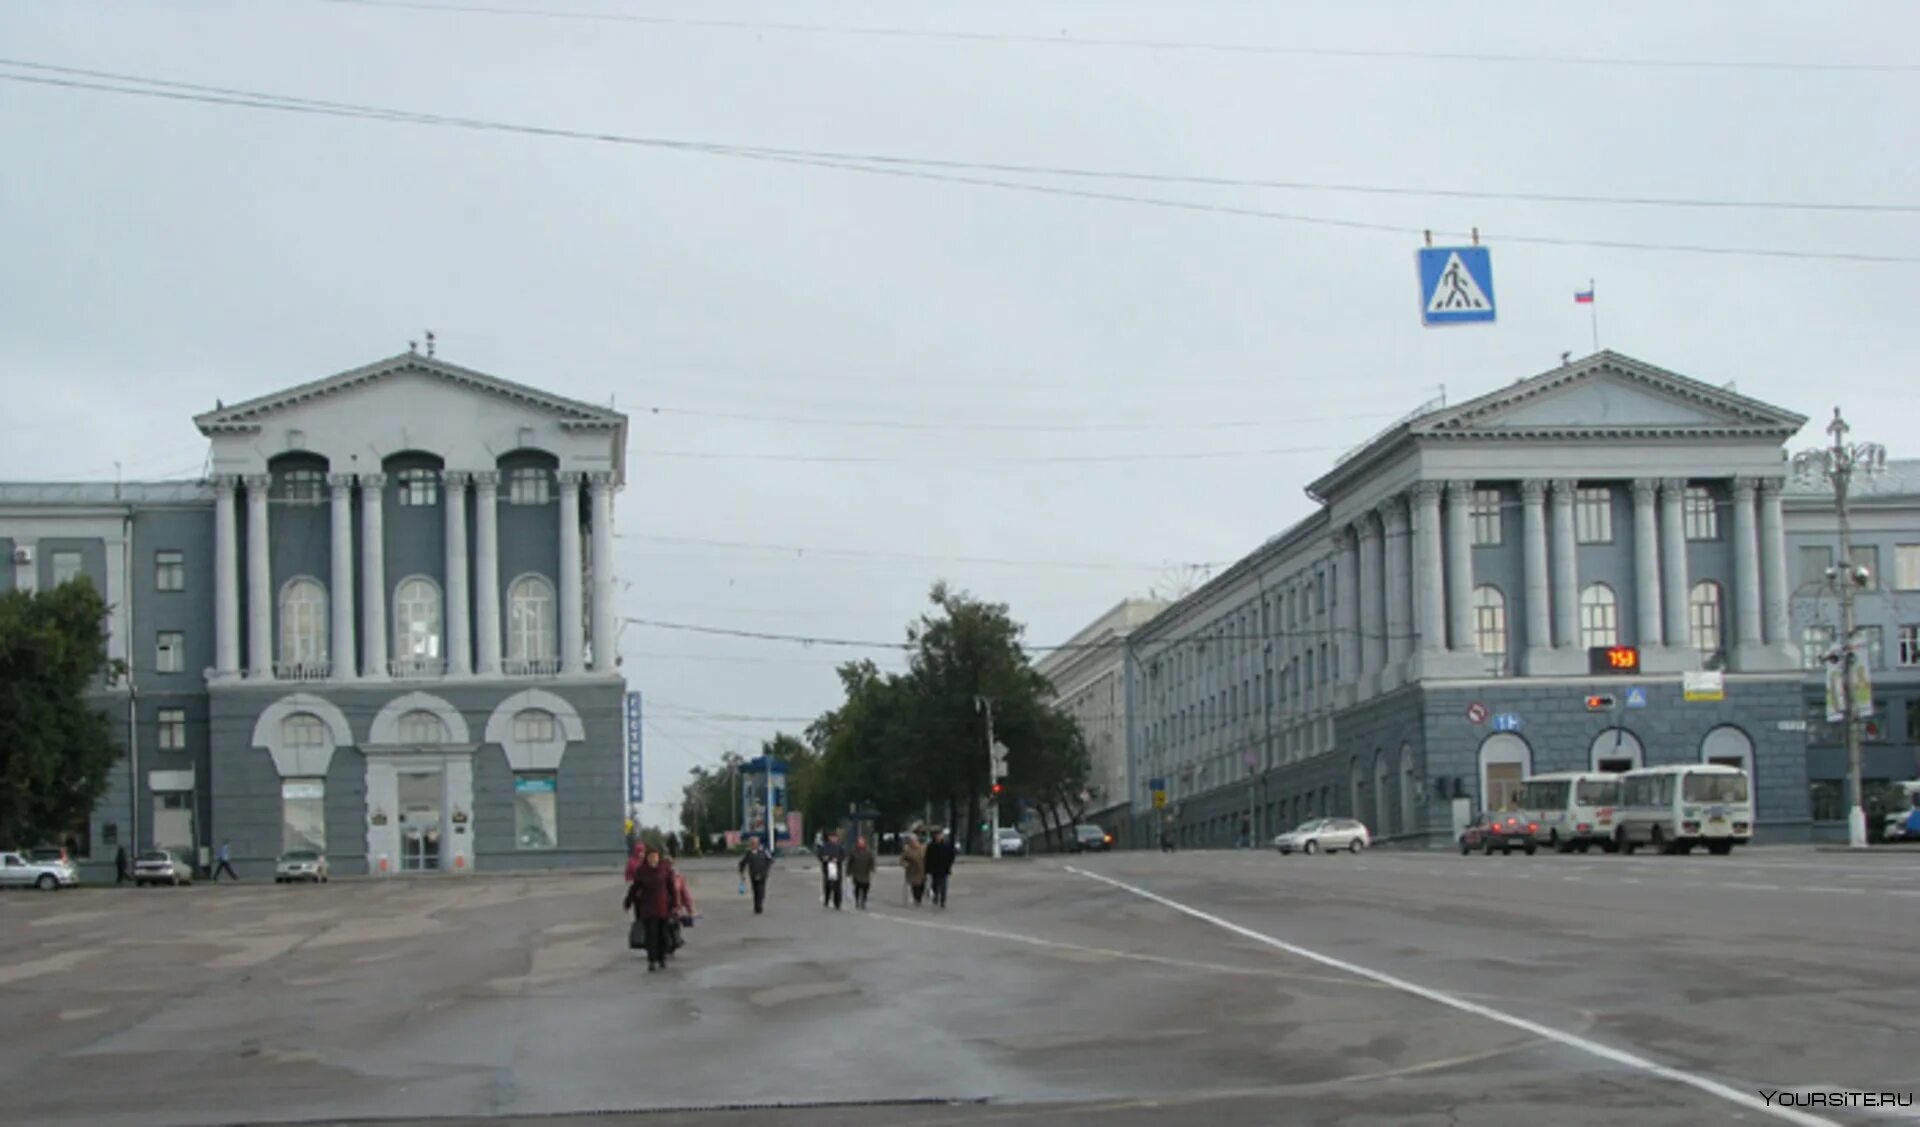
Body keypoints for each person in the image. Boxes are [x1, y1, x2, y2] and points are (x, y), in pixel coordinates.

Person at [623, 845, 679, 971]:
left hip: (663, 907)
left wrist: (675, 904)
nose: (653, 859)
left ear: (659, 857)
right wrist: (628, 902)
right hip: (648, 908)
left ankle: (662, 958)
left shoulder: (665, 869)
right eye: (650, 857)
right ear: (647, 858)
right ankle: (652, 960)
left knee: (662, 934)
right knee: (651, 935)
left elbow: (672, 888)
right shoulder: (642, 871)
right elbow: (635, 888)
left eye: (655, 857)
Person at [737, 834, 774, 914]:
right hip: (753, 874)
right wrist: (741, 873)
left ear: (758, 843)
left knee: (761, 890)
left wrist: (767, 868)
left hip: (762, 873)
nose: (753, 845)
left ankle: (759, 906)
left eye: (754, 843)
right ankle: (756, 905)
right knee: (755, 890)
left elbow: (770, 860)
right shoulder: (749, 853)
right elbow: (743, 863)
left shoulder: (764, 851)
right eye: (751, 843)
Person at [924, 827, 958, 910]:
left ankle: (943, 901)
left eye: (940, 835)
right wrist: (927, 869)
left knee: (943, 885)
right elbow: (927, 858)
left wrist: (949, 864)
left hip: (944, 868)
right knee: (935, 884)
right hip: (934, 869)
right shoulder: (931, 845)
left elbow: (952, 855)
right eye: (937, 835)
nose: (939, 837)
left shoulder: (947, 845)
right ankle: (935, 897)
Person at [817, 830, 846, 910]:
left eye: (835, 837)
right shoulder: (824, 846)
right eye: (832, 837)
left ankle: (838, 903)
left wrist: (838, 859)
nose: (834, 839)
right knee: (828, 885)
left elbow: (843, 856)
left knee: (837, 887)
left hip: (837, 868)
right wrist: (824, 858)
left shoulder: (839, 847)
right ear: (829, 838)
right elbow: (820, 855)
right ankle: (826, 899)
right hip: (827, 868)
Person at [847, 835, 877, 910]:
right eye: (859, 843)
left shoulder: (868, 852)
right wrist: (848, 872)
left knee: (866, 887)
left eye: (862, 843)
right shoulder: (853, 852)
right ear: (857, 844)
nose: (861, 844)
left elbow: (872, 861)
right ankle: (857, 900)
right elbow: (849, 862)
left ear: (864, 844)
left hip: (865, 872)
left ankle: (863, 900)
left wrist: (872, 869)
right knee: (857, 887)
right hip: (856, 872)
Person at [899, 832, 928, 906]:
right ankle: (917, 899)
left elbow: (928, 858)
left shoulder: (923, 848)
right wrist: (905, 864)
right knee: (915, 885)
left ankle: (919, 897)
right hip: (912, 870)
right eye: (911, 841)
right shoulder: (907, 850)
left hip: (922, 869)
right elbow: (902, 859)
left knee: (922, 885)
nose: (913, 842)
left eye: (914, 840)